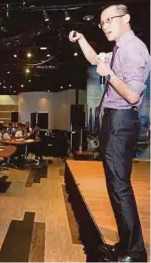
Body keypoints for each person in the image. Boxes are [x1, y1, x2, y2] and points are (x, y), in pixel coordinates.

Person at [69, 4, 149, 262]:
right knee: (116, 188)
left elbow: (133, 95)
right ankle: (127, 245)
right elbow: (96, 61)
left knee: (120, 188)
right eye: (102, 22)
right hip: (114, 122)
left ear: (125, 18)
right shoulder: (119, 49)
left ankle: (135, 252)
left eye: (109, 20)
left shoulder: (134, 49)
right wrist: (82, 39)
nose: (104, 26)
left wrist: (111, 76)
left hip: (121, 121)